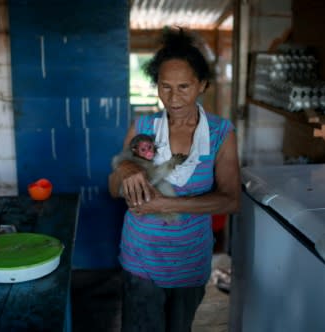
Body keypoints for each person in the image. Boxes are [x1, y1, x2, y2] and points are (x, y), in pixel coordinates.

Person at [108, 27, 241, 332]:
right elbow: (113, 188)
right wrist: (125, 170)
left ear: (202, 85)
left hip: (190, 260)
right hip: (141, 257)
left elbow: (231, 200)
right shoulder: (143, 126)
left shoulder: (221, 133)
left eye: (184, 86)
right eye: (165, 87)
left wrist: (165, 204)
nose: (173, 97)